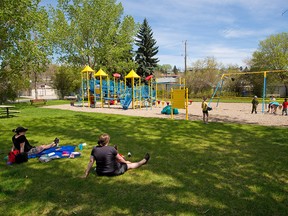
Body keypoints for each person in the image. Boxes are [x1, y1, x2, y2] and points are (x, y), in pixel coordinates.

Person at [83, 133, 150, 178]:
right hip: (113, 171)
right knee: (130, 165)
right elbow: (120, 159)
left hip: (100, 172)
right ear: (108, 142)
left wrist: (86, 174)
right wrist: (127, 162)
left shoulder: (94, 149)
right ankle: (143, 161)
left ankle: (116, 153)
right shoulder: (111, 149)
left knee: (114, 159)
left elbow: (91, 161)